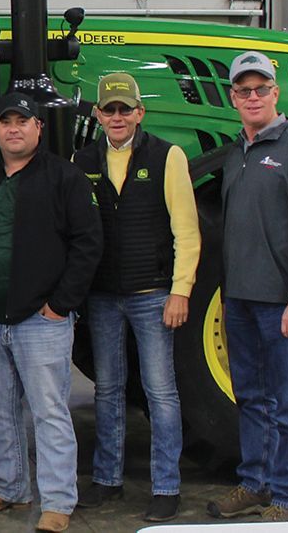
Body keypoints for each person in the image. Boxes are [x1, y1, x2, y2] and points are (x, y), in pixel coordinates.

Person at [0, 91, 102, 533]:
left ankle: (57, 501)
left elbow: (88, 244)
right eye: (6, 121)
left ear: (39, 128)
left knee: (49, 411)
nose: (14, 128)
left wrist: (60, 305)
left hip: (41, 321)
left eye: (23, 121)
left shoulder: (65, 177)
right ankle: (10, 487)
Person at [205, 51, 288, 523]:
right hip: (238, 300)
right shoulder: (236, 151)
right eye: (243, 90)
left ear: (276, 94)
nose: (252, 97)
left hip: (283, 305)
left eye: (261, 89)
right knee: (252, 399)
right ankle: (255, 484)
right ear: (233, 97)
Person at [72, 72, 200, 523]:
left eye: (126, 109)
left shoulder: (168, 157)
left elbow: (186, 230)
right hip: (103, 298)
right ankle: (107, 480)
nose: (118, 117)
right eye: (110, 109)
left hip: (152, 295)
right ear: (98, 114)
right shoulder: (82, 160)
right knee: (107, 390)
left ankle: (167, 486)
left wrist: (180, 291)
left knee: (160, 392)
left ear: (140, 113)